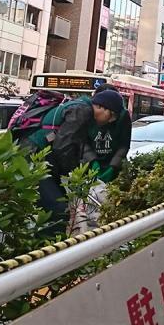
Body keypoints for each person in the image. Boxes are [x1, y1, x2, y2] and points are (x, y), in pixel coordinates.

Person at [36, 89, 129, 227]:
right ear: (102, 107)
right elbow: (63, 148)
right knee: (58, 209)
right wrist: (75, 177)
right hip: (36, 159)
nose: (111, 121)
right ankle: (51, 246)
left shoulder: (82, 107)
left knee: (60, 206)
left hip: (45, 160)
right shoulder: (83, 111)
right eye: (112, 116)